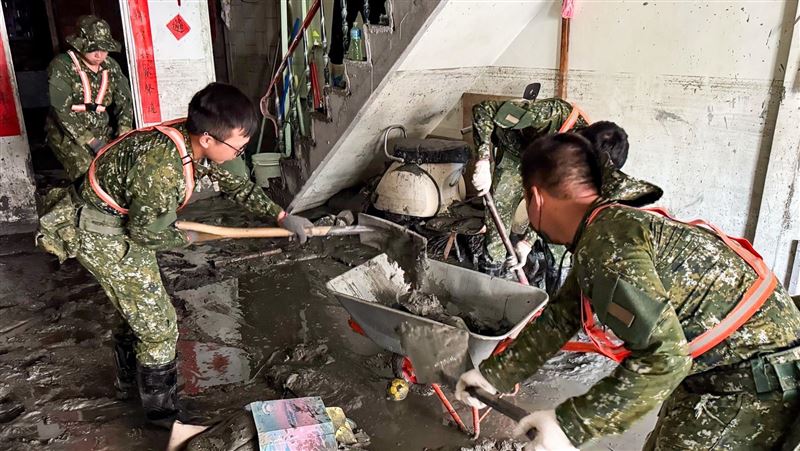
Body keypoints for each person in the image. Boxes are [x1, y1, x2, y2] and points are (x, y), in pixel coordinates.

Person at [455, 132, 800, 449]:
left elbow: (665, 359)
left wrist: (571, 425)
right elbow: (560, 317)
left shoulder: (607, 244)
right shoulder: (608, 225)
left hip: (750, 384)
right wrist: (493, 376)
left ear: (536, 198)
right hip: (729, 370)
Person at [36, 82, 313, 427]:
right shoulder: (162, 167)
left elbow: (237, 184)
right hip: (99, 232)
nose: (240, 153)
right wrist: (188, 236)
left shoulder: (199, 138)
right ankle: (162, 417)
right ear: (209, 140)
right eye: (238, 146)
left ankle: (128, 383)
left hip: (126, 221)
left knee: (140, 310)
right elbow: (145, 233)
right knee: (160, 328)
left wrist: (282, 216)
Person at [471, 98, 587, 276]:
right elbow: (483, 109)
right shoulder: (545, 116)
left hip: (541, 161)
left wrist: (527, 243)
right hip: (514, 155)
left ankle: (556, 295)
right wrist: (483, 159)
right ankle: (491, 281)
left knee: (559, 244)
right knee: (497, 224)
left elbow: (551, 208)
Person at [46, 15, 134, 182]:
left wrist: (124, 131)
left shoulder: (111, 66)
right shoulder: (62, 65)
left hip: (101, 130)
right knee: (87, 175)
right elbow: (61, 110)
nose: (99, 54)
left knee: (118, 172)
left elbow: (125, 101)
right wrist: (91, 142)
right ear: (80, 45)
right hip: (68, 135)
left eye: (104, 48)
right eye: (93, 48)